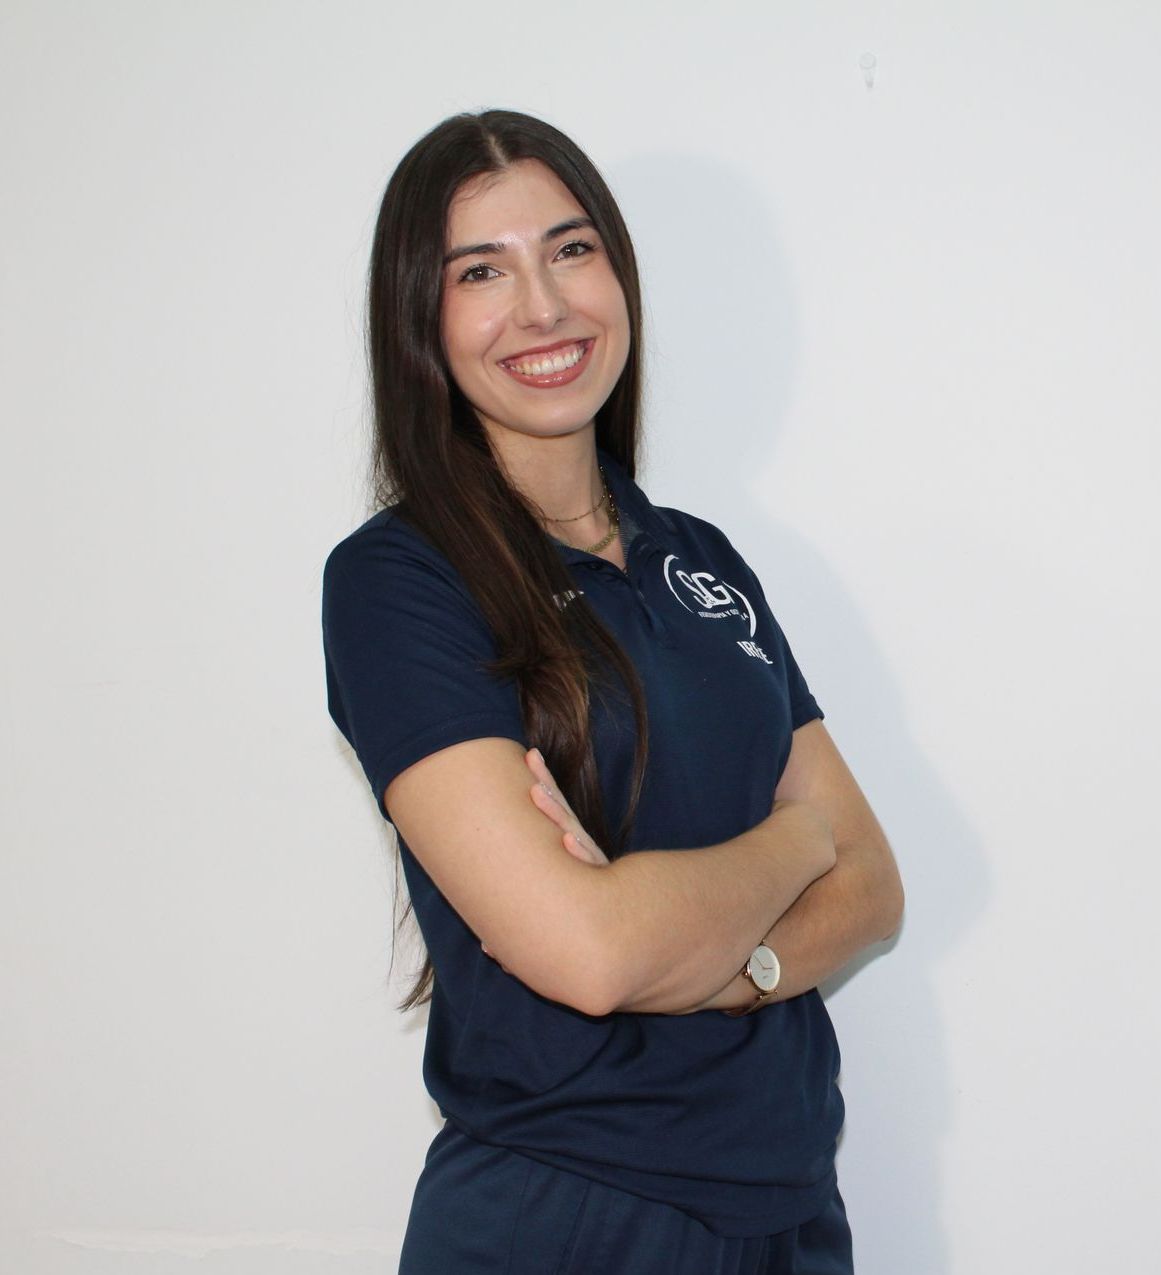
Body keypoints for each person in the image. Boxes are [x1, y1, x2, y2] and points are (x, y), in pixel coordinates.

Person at [321, 108, 903, 1275]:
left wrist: (740, 969)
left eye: (571, 249)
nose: (542, 306)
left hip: (789, 1196)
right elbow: (590, 956)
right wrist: (798, 842)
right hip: (572, 1213)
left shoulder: (700, 558)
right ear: (421, 320)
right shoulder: (400, 582)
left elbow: (877, 885)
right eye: (482, 270)